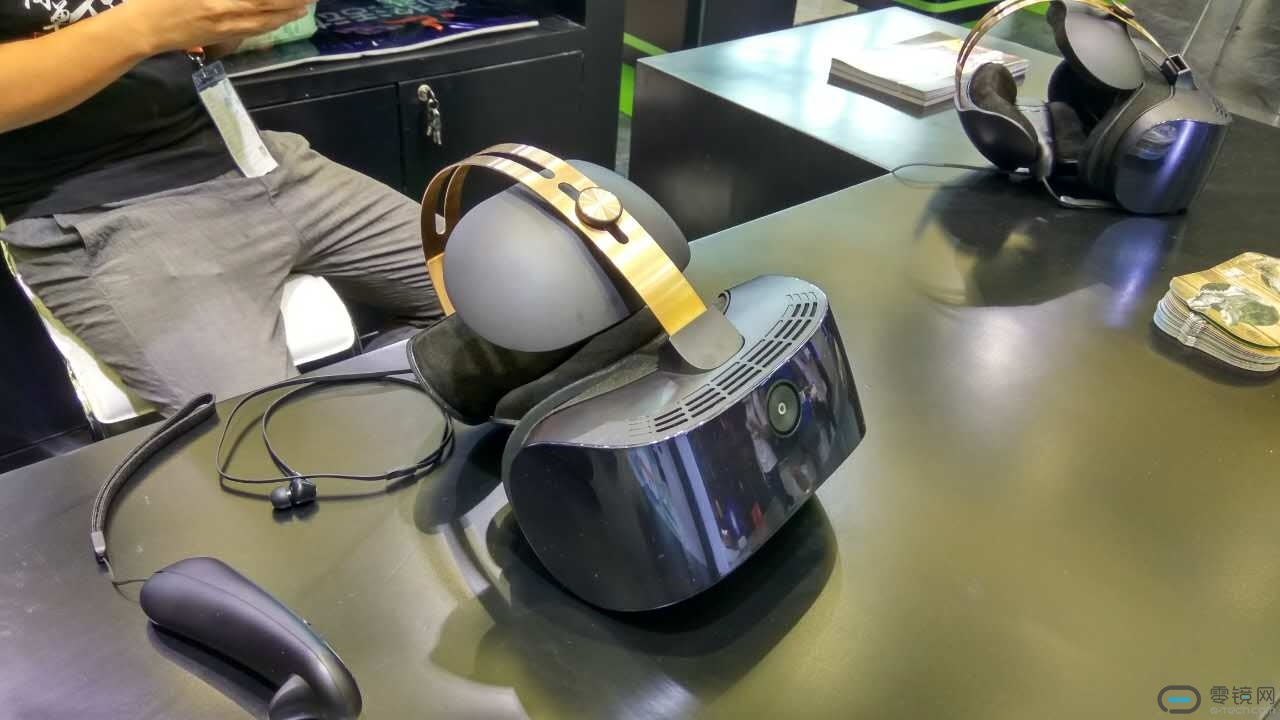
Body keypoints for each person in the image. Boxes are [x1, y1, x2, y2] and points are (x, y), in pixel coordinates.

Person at [0, 0, 442, 415]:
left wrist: (235, 16)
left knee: (485, 295)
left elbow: (205, 42)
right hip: (102, 211)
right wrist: (147, 24)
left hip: (254, 158)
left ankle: (380, 431)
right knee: (263, 431)